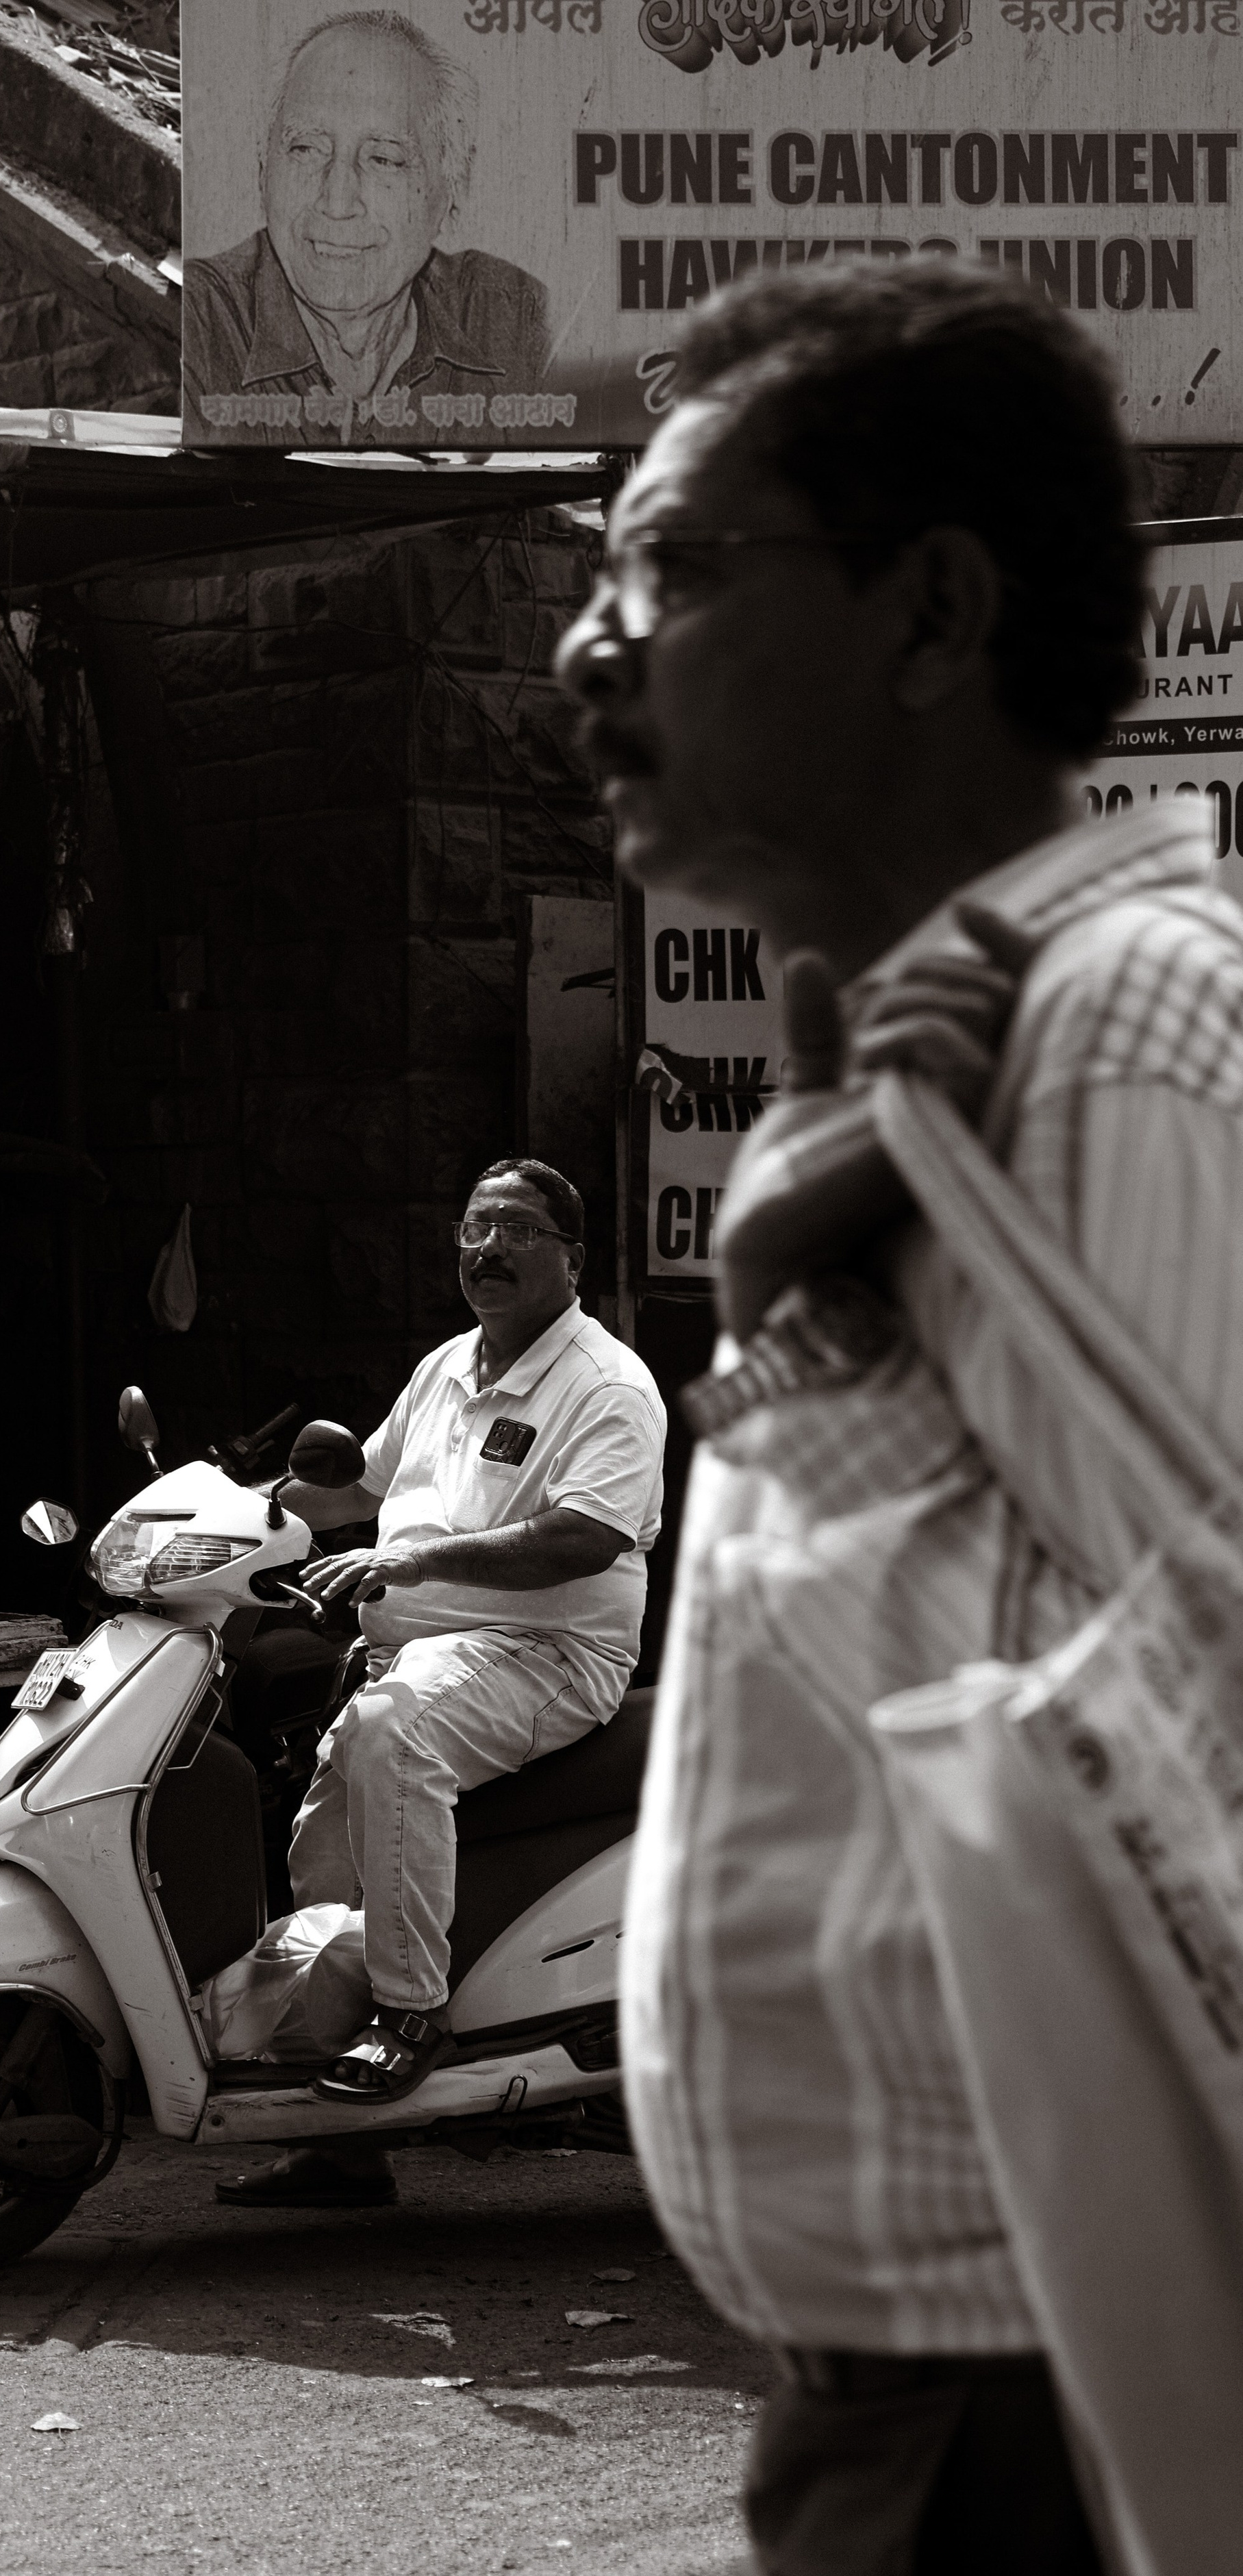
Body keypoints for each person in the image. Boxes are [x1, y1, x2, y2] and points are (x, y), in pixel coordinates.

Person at [554, 260, 1243, 2574]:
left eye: (675, 567)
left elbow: (1196, 1716)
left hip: (1082, 2401)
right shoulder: (924, 1069)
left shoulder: (1114, 1027)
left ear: (933, 612)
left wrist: (801, 1346)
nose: (591, 651)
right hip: (940, 2400)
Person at [218, 1156, 666, 2208]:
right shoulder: (446, 1368)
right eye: (474, 1228)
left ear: (572, 1258)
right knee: (324, 1851)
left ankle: (411, 2013)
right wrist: (224, 1513)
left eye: (516, 1229)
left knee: (394, 1735)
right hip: (417, 1661)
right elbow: (354, 1492)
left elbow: (583, 1536)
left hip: (545, 1655)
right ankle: (344, 2146)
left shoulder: (606, 1385)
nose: (488, 1248)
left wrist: (410, 1563)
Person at [183, 9, 551, 449]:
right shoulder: (197, 324)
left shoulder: (515, 320)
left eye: (384, 159)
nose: (337, 202)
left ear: (452, 188)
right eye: (306, 148)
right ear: (264, 169)